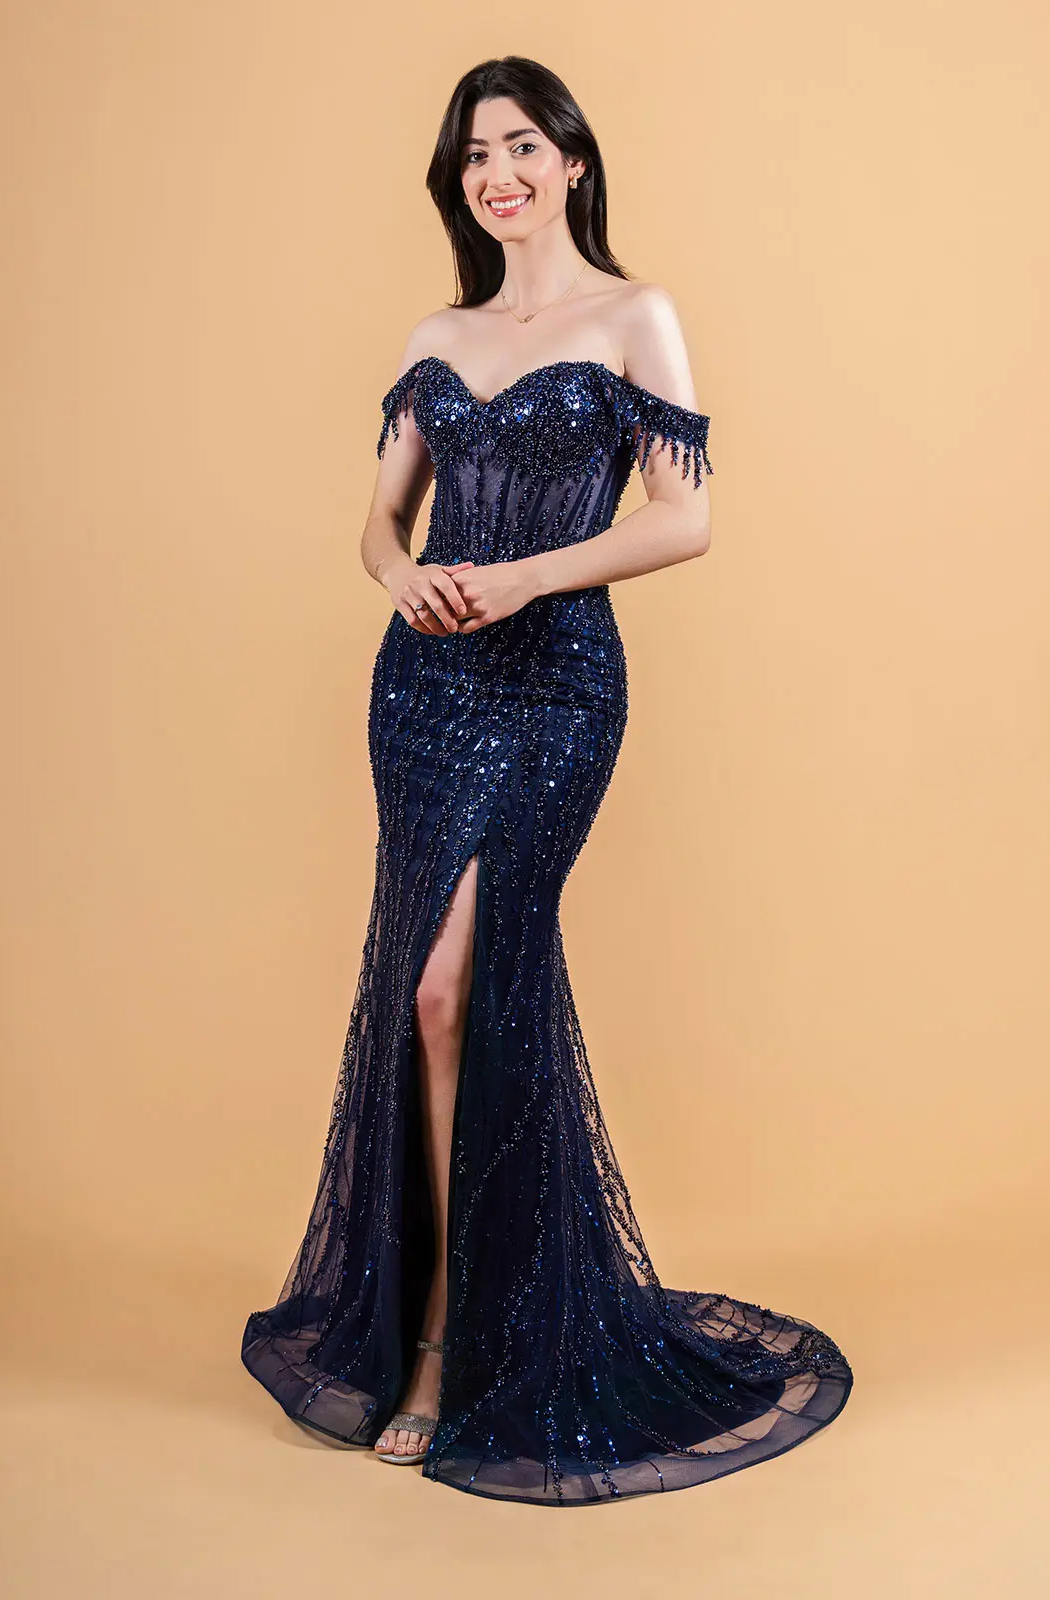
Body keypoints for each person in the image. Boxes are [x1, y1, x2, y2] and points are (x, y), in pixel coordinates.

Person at [241, 54, 853, 1506]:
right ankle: (436, 1315)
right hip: (424, 685)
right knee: (425, 991)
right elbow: (378, 528)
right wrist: (403, 580)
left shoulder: (636, 315)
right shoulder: (437, 333)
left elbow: (685, 521)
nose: (497, 173)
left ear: (573, 160)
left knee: (460, 985)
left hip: (558, 681)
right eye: (474, 154)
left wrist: (521, 578)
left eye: (521, 145)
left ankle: (452, 1348)